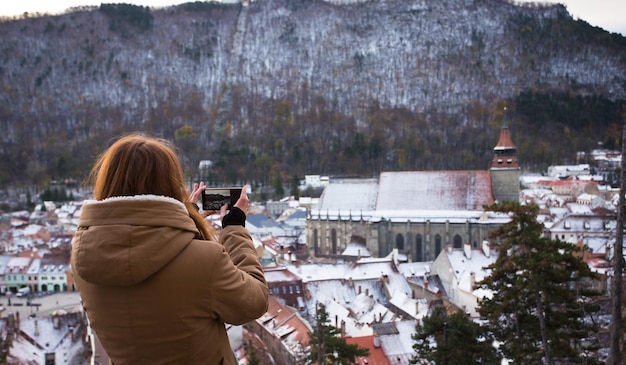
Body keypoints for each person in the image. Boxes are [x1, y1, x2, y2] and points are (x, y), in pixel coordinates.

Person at [71, 133, 268, 365]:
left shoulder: (83, 257)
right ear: (169, 183)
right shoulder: (205, 261)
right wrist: (234, 227)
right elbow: (254, 301)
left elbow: (143, 245)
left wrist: (185, 216)